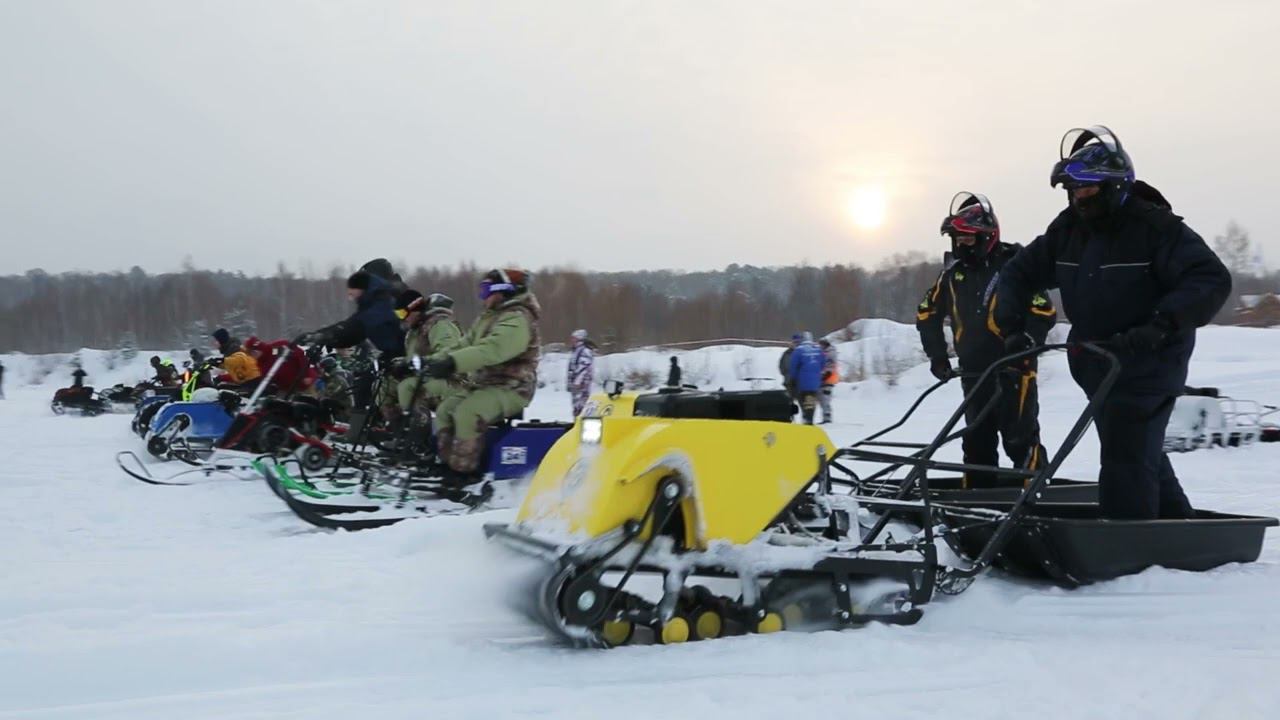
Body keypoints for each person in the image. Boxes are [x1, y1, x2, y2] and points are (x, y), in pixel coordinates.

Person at [994, 125, 1231, 518]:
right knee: (1137, 452)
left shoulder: (1156, 229)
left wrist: (1161, 324)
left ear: (1115, 185)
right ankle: (1182, 532)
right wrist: (1013, 328)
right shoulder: (1068, 230)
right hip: (1098, 365)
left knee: (1126, 459)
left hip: (1148, 363)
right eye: (1073, 190)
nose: (1079, 198)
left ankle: (1128, 542)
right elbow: (1017, 272)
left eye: (1088, 189)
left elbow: (1210, 279)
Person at [917, 191, 1057, 487]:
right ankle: (974, 503)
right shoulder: (951, 275)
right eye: (957, 239)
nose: (962, 245)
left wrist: (1027, 341)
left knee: (1019, 438)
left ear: (987, 236)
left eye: (968, 238)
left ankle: (1035, 495)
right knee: (976, 443)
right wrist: (937, 355)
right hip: (973, 373)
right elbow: (926, 312)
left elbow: (1043, 310)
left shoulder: (1014, 265)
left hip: (1014, 369)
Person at [424, 268, 541, 480]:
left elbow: (492, 350)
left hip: (513, 387)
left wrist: (453, 363)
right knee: (445, 410)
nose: (482, 297)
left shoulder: (517, 319)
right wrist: (432, 362)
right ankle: (448, 462)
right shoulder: (488, 318)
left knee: (468, 412)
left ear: (504, 291)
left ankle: (464, 472)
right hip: (485, 383)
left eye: (486, 290)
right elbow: (464, 344)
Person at [380, 290, 463, 434]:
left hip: (453, 381)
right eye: (398, 315)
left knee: (407, 387)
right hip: (428, 377)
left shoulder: (440, 325)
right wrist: (396, 364)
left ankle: (419, 434)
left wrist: (415, 364)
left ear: (415, 310)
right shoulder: (415, 331)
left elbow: (448, 356)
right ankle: (396, 429)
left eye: (403, 313)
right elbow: (414, 359)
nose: (402, 319)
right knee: (385, 385)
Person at [297, 270, 403, 361]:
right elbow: (352, 323)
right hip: (394, 356)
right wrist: (323, 334)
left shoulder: (383, 304)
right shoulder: (375, 301)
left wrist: (323, 337)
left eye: (351, 294)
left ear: (361, 289)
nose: (351, 299)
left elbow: (354, 329)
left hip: (402, 357)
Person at [243, 336, 317, 395]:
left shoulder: (280, 346)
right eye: (250, 353)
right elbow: (267, 379)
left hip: (305, 384)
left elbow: (301, 356)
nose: (252, 355)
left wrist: (306, 375)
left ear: (259, 348)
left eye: (253, 352)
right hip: (286, 390)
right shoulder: (260, 364)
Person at [787, 332, 825, 424]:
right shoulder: (818, 350)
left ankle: (806, 418)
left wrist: (793, 379)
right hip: (815, 383)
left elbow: (793, 367)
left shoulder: (798, 350)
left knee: (803, 401)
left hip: (802, 383)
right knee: (811, 401)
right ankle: (809, 418)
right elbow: (823, 364)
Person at [567, 329, 595, 416]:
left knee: (581, 407)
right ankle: (577, 419)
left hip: (582, 386)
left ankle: (581, 421)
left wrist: (578, 382)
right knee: (576, 407)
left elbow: (584, 367)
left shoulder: (584, 351)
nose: (571, 340)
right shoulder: (576, 351)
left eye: (574, 338)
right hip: (576, 386)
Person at [317, 356, 353, 421]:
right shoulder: (329, 378)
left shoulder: (336, 378)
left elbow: (330, 394)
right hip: (338, 405)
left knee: (324, 402)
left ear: (328, 368)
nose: (320, 370)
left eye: (322, 368)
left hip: (343, 410)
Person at [818, 339, 838, 424]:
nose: (820, 346)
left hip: (828, 379)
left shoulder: (830, 353)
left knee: (825, 399)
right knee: (823, 399)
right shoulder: (825, 352)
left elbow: (830, 366)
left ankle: (827, 418)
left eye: (821, 345)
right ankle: (825, 417)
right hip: (825, 379)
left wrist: (824, 376)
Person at [779, 334, 802, 399]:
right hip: (789, 381)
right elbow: (781, 365)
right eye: (795, 342)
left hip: (800, 382)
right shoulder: (787, 353)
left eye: (798, 342)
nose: (796, 344)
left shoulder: (803, 353)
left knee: (801, 400)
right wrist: (786, 374)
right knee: (790, 400)